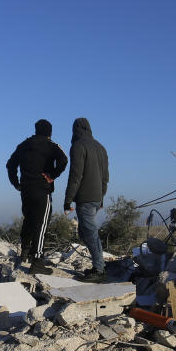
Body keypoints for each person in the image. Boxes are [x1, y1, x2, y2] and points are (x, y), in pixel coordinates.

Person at [6, 119, 68, 273]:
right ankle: (38, 262)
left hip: (26, 190)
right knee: (41, 224)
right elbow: (64, 160)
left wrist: (16, 183)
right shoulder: (52, 146)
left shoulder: (24, 145)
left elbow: (10, 164)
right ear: (50, 132)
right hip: (42, 189)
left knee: (28, 220)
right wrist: (52, 175)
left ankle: (24, 253)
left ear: (36, 130)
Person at [63, 117, 109, 282]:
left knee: (89, 231)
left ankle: (99, 269)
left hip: (85, 197)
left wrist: (68, 200)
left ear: (75, 130)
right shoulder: (101, 148)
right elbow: (105, 177)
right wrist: (101, 197)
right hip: (96, 197)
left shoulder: (78, 146)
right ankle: (98, 264)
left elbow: (75, 176)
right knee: (84, 231)